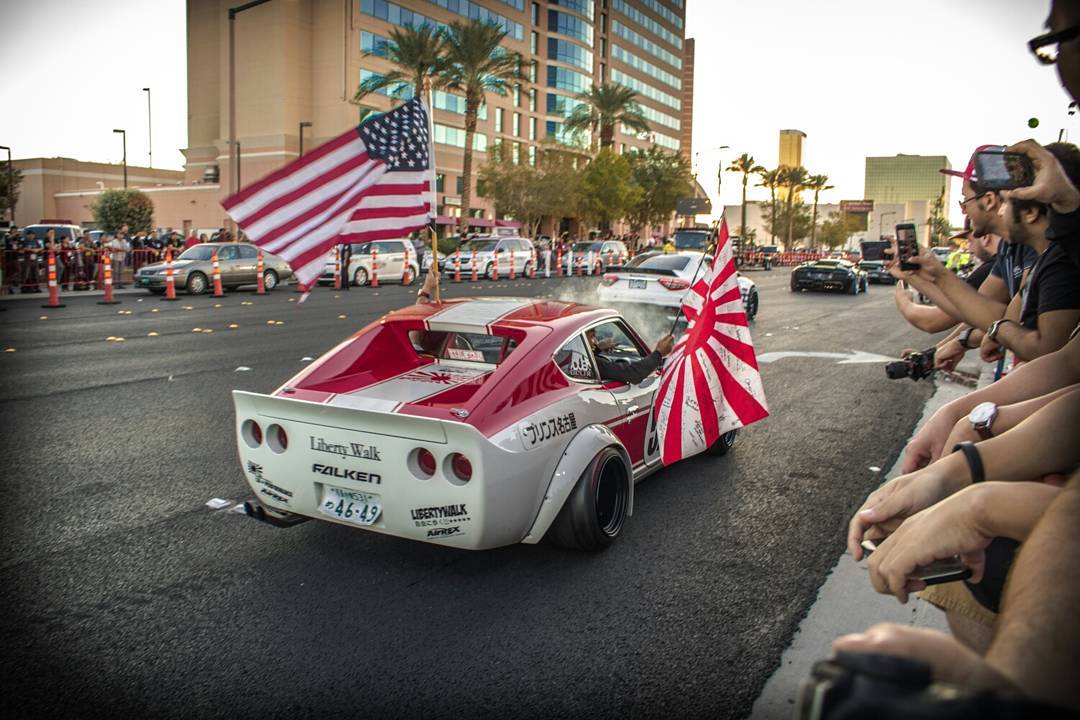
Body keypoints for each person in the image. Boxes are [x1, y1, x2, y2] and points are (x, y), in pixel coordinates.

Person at [585, 327, 675, 385]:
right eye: (592, 336)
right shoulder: (592, 363)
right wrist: (658, 353)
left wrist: (597, 349)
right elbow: (633, 374)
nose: (595, 342)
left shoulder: (579, 360)